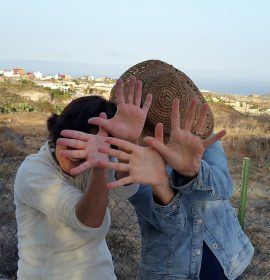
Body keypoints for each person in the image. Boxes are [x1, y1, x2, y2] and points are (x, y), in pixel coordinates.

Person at [86, 60, 254, 280]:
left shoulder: (201, 139)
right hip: (168, 272)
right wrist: (160, 184)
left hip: (229, 263)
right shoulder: (133, 155)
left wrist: (192, 172)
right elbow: (170, 224)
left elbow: (224, 187)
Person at [14, 91, 151, 280]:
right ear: (57, 135)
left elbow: (125, 189)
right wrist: (99, 167)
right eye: (72, 146)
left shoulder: (96, 161)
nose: (76, 157)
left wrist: (127, 145)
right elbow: (87, 221)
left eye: (85, 150)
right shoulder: (34, 172)